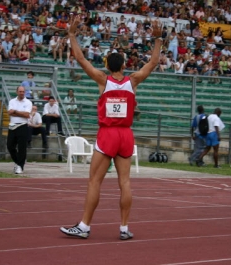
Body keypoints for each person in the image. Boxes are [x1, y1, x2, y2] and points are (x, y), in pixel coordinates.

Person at [60, 16, 162, 240]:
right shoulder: (133, 81)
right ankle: (124, 228)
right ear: (124, 66)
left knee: (94, 180)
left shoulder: (102, 80)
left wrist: (72, 35)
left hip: (108, 134)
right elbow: (153, 63)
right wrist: (157, 39)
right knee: (125, 182)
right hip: (126, 134)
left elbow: (79, 58)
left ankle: (85, 226)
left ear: (107, 66)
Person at [7, 86, 32, 174]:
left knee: (22, 147)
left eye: (23, 91)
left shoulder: (28, 102)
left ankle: (20, 166)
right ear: (17, 91)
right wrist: (21, 113)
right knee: (10, 146)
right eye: (20, 91)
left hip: (22, 125)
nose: (21, 93)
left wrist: (15, 112)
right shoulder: (12, 101)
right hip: (12, 126)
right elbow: (10, 112)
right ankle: (18, 162)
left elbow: (26, 115)